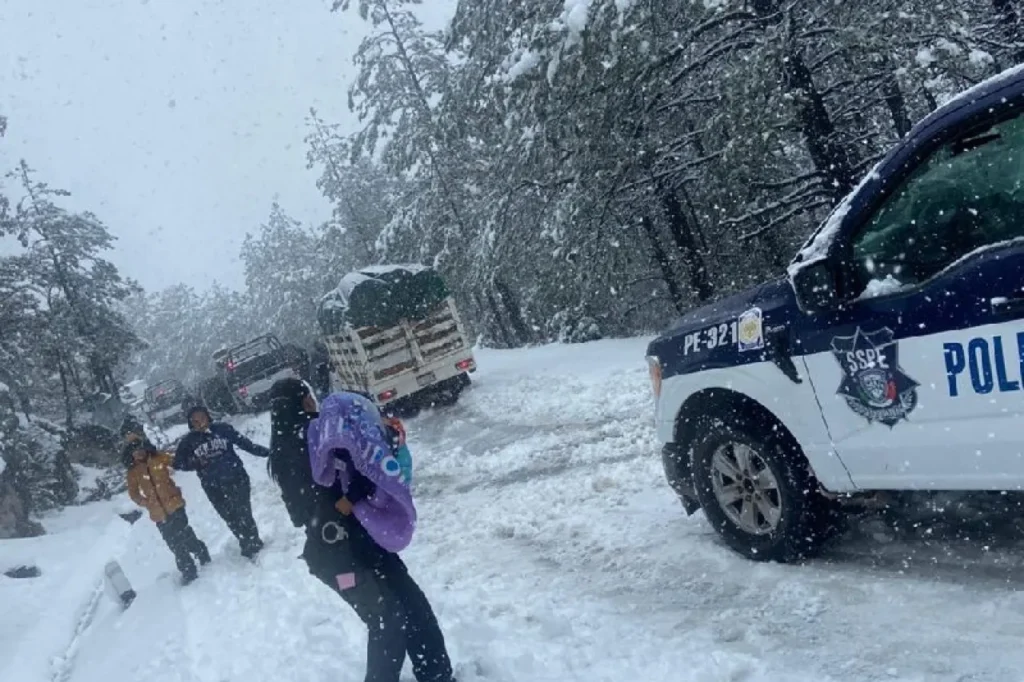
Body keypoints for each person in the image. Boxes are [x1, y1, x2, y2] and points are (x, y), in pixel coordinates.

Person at [266, 378, 455, 682]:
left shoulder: (282, 449)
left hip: (342, 548)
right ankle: (436, 674)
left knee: (403, 611)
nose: (314, 402)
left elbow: (300, 514)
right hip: (345, 552)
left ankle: (436, 675)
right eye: (309, 396)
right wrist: (382, 444)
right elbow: (366, 469)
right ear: (303, 401)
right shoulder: (318, 433)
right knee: (392, 619)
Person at [122, 418, 210, 585]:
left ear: (145, 448)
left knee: (184, 535)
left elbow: (178, 461)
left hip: (175, 504)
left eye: (140, 450)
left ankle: (200, 551)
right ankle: (188, 571)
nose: (138, 454)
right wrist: (145, 502)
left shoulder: (158, 458)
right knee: (174, 543)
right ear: (131, 455)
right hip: (158, 513)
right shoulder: (133, 472)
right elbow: (133, 493)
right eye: (135, 452)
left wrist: (195, 461)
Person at [174, 405, 269, 559]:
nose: (200, 423)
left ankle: (254, 544)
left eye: (202, 418)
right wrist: (195, 463)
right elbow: (178, 463)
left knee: (243, 512)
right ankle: (245, 541)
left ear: (208, 416)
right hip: (212, 486)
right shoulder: (188, 441)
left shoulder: (223, 429)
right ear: (191, 424)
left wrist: (268, 453)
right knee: (230, 517)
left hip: (236, 477)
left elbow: (246, 444)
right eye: (195, 421)